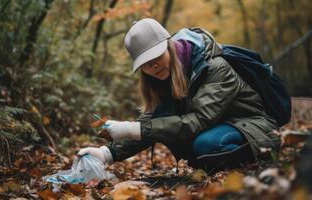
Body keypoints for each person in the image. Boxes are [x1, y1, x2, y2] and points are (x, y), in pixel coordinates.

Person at [78, 18, 280, 172]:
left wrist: (132, 129)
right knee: (184, 137)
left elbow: (199, 119)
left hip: (251, 126)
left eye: (156, 56)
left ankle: (259, 157)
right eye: (145, 64)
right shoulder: (163, 78)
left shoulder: (216, 68)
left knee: (205, 145)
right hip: (216, 128)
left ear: (169, 45)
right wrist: (107, 154)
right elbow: (152, 121)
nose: (153, 66)